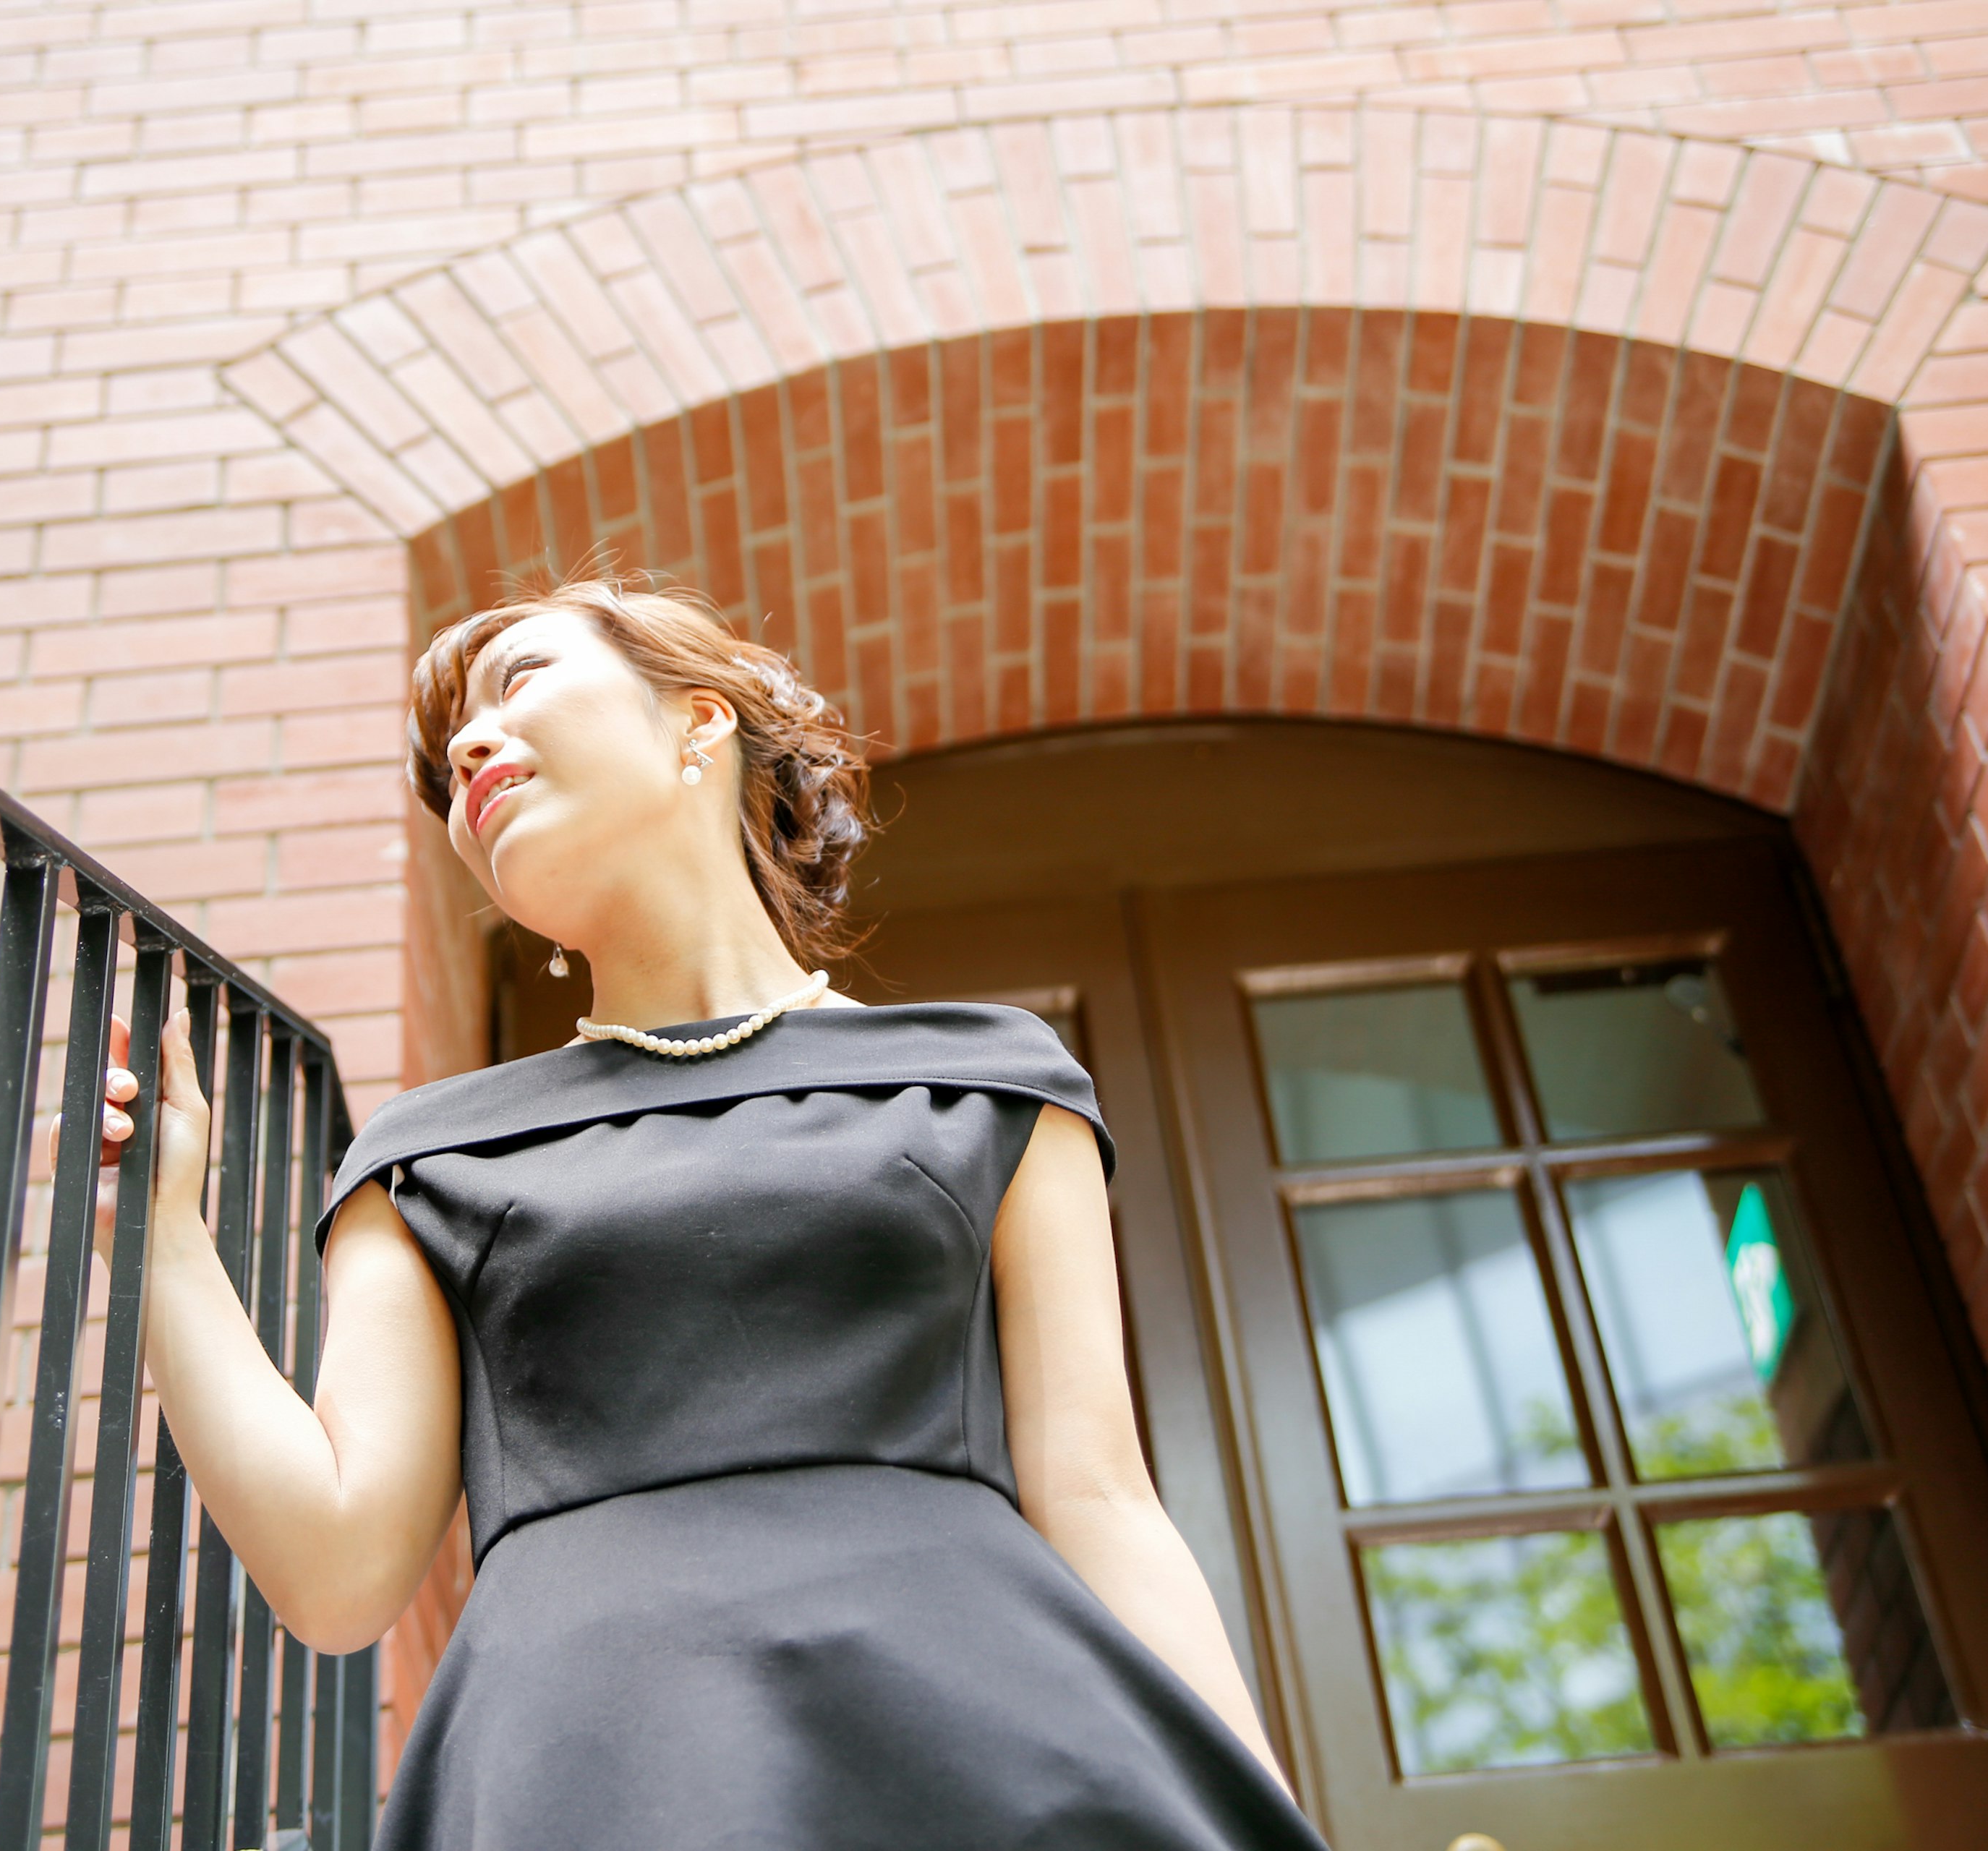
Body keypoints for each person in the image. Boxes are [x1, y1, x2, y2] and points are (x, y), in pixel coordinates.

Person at [78, 575, 1328, 1847]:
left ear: (701, 721)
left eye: (520, 681)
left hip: (991, 1744)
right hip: (589, 1767)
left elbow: (1104, 1503)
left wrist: (1261, 1817)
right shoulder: (424, 1159)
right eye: (448, 762)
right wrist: (161, 1234)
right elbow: (338, 1572)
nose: (466, 751)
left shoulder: (990, 1083)